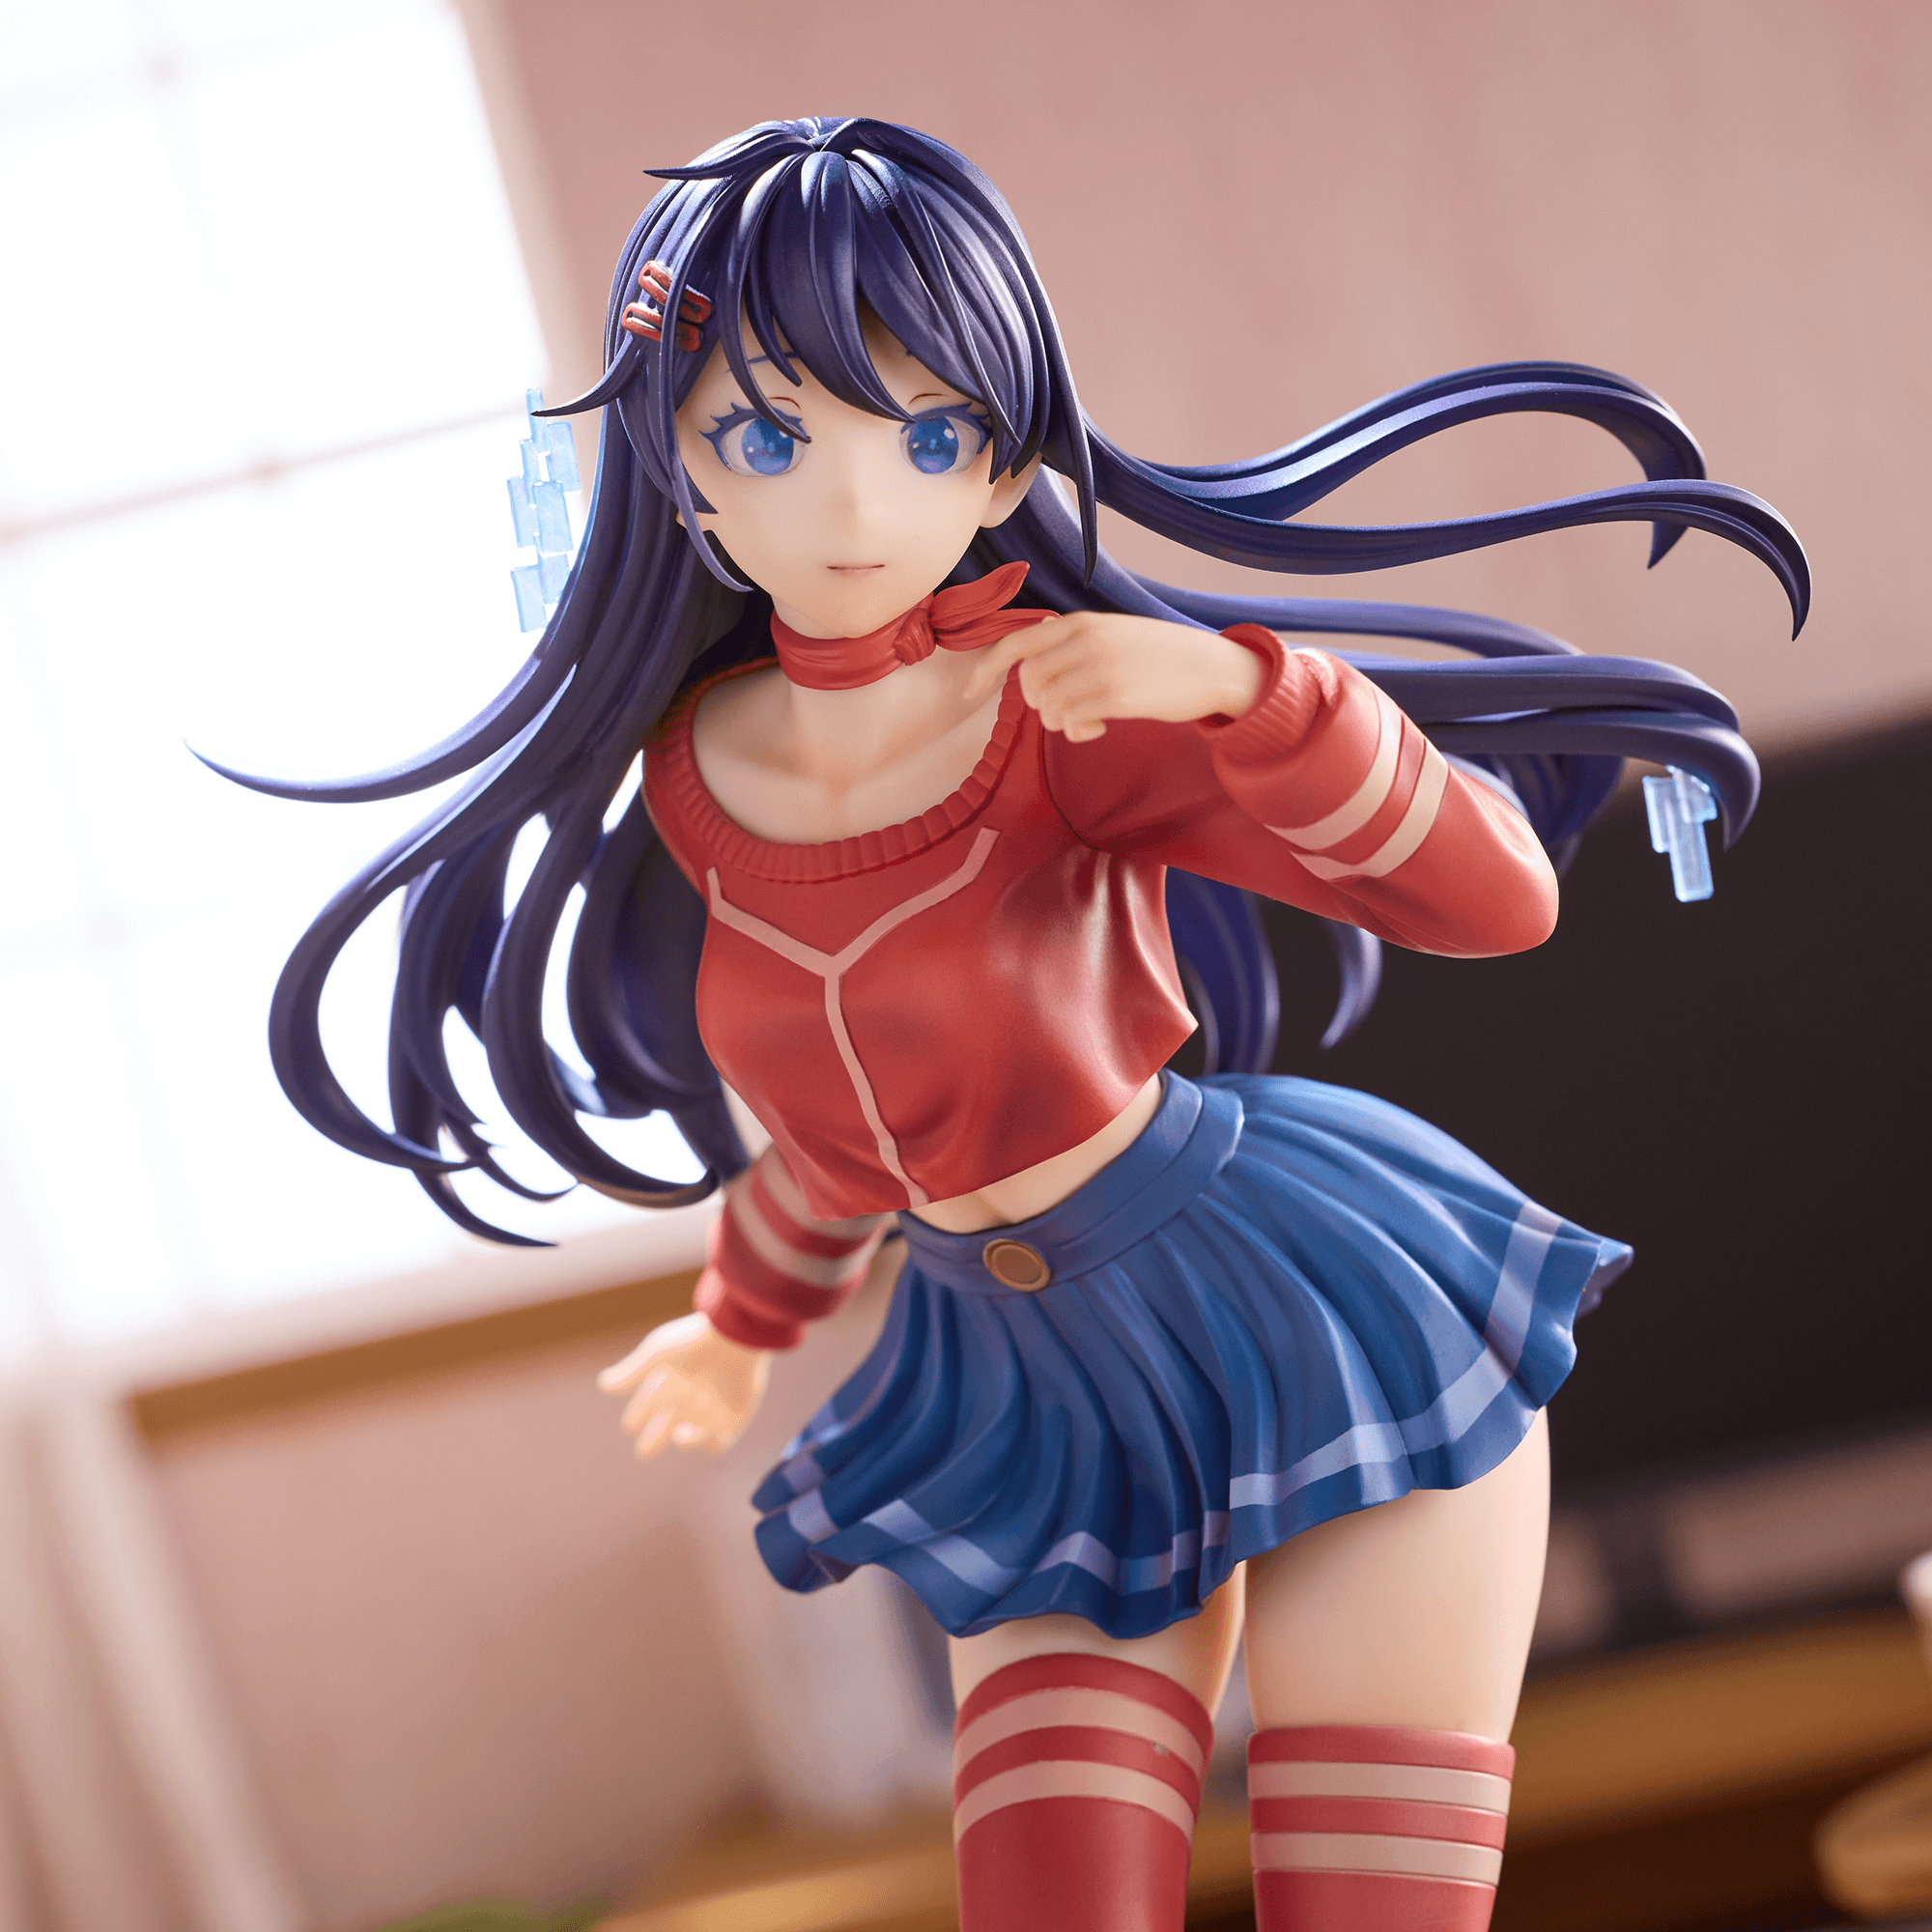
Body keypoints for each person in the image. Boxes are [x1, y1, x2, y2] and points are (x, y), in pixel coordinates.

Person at [221, 118, 1805, 1932]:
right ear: (674, 461)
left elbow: (1496, 897)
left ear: (1002, 465)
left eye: (929, 436)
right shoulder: (691, 783)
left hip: (1302, 1319)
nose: (853, 511)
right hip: (1028, 1391)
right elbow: (843, 1133)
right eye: (768, 436)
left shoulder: (1064, 708)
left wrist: (1257, 694)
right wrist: (739, 1323)